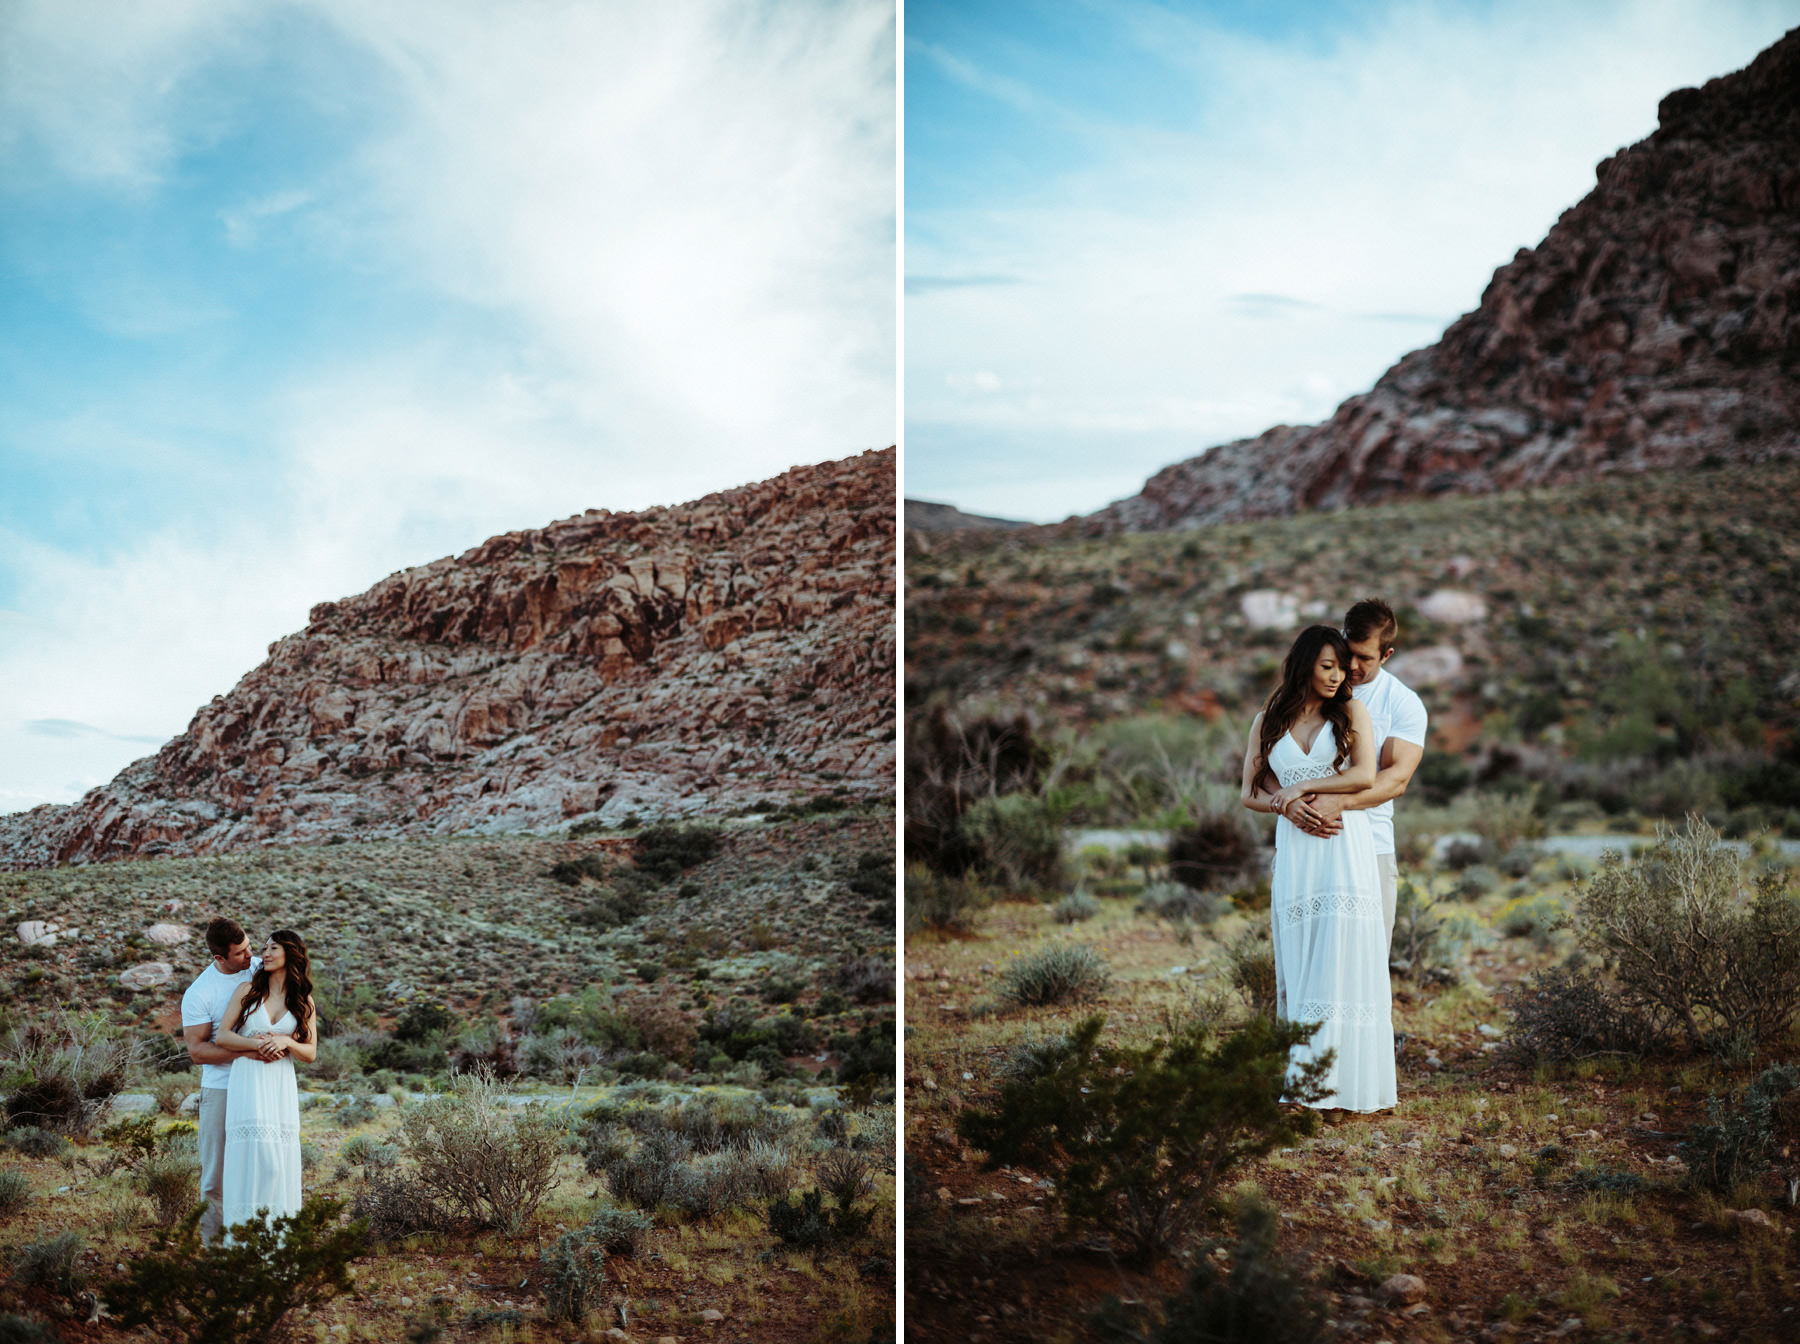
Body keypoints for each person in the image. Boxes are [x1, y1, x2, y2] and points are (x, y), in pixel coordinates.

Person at [1240, 624, 1396, 1115]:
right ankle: (1308, 1086)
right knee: (1304, 962)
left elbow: (1365, 774)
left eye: (1342, 669)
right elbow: (1250, 792)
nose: (1337, 676)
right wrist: (1282, 806)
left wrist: (1301, 788)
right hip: (1296, 855)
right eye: (1327, 666)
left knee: (1342, 959)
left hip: (1342, 849)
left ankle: (1350, 1087)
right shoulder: (1267, 719)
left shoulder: (1351, 711)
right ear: (1304, 663)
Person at [1284, 598, 1428, 951]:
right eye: (1349, 653)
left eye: (1366, 658)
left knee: (1368, 956)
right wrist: (1286, 804)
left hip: (1371, 844)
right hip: (1305, 843)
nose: (1353, 665)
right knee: (1307, 952)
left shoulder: (1402, 703)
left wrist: (1340, 802)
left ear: (1387, 654)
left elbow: (1397, 778)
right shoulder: (1311, 694)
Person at [214, 930, 316, 1235]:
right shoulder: (248, 990)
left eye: (273, 948)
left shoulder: (303, 1001)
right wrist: (256, 1045)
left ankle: (277, 1244)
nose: (265, 954)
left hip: (279, 1084)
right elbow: (222, 1036)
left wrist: (286, 1040)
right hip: (249, 1080)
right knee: (255, 1159)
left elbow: (310, 1052)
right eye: (265, 948)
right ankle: (243, 1244)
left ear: (291, 954)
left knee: (276, 1164)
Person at [180, 918, 263, 1244]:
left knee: (259, 1166)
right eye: (241, 953)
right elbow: (198, 1051)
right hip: (222, 1088)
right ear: (219, 958)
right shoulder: (200, 993)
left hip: (260, 1084)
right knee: (216, 1174)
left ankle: (256, 1240)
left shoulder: (259, 969)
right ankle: (215, 1248)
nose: (250, 956)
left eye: (249, 947)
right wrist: (247, 1052)